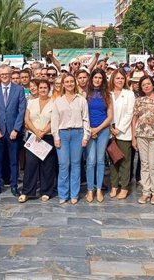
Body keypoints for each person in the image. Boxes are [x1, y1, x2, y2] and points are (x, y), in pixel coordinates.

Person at [52, 75, 90, 204]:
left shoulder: (81, 100)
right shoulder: (58, 101)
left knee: (75, 164)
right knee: (63, 164)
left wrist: (86, 136)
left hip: (77, 133)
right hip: (62, 133)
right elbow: (54, 121)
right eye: (66, 82)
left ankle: (74, 193)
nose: (69, 84)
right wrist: (56, 137)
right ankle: (63, 194)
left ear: (75, 83)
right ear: (63, 84)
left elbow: (86, 119)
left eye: (71, 81)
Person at [0, 65, 27, 197]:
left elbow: (21, 110)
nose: (4, 76)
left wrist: (16, 129)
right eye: (2, 74)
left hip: (13, 131)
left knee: (14, 161)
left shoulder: (19, 90)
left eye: (6, 73)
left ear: (11, 73)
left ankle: (13, 186)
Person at [21, 79, 56, 203]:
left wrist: (43, 132)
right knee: (31, 164)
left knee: (47, 165)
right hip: (33, 136)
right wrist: (36, 131)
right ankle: (27, 191)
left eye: (45, 88)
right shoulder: (31, 102)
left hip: (48, 136)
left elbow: (54, 120)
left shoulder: (54, 102)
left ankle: (46, 191)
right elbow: (27, 119)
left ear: (48, 89)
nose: (42, 90)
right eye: (40, 87)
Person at [132, 76, 154, 205]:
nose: (146, 86)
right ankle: (146, 191)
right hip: (141, 135)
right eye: (143, 85)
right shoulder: (139, 100)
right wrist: (134, 137)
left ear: (153, 85)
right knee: (144, 164)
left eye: (148, 84)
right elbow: (134, 119)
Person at [84, 69, 113, 203]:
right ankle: (90, 189)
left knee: (100, 160)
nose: (97, 80)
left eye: (100, 78)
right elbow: (83, 114)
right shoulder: (86, 94)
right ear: (92, 79)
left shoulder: (107, 94)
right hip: (89, 130)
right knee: (90, 160)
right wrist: (90, 130)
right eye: (95, 77)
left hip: (103, 130)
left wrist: (98, 129)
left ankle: (100, 189)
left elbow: (110, 116)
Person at [108, 70, 135, 200]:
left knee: (124, 161)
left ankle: (124, 187)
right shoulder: (108, 94)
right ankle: (114, 185)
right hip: (110, 132)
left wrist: (119, 129)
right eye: (117, 78)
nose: (119, 81)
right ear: (112, 79)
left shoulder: (129, 94)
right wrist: (110, 128)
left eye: (122, 78)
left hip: (123, 133)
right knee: (113, 160)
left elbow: (130, 113)